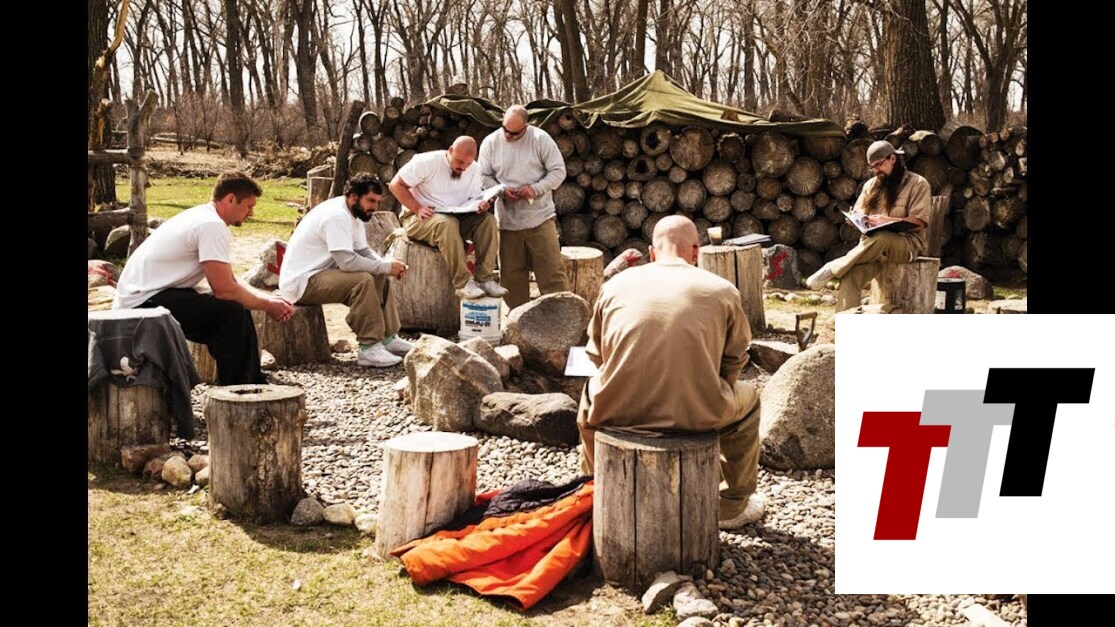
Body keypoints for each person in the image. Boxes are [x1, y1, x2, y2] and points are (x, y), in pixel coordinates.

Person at [577, 215, 766, 530]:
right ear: (696, 252)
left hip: (616, 410)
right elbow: (735, 358)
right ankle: (732, 504)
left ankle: (594, 492)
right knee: (751, 403)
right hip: (698, 412)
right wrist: (710, 388)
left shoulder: (614, 286)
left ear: (651, 252)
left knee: (588, 401)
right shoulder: (722, 290)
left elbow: (596, 355)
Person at [113, 171, 295, 385]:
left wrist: (268, 299)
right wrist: (268, 306)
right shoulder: (211, 225)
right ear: (230, 199)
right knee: (231, 314)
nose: (251, 213)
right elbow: (224, 290)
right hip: (140, 304)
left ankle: (248, 380)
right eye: (249, 206)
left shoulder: (204, 217)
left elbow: (230, 279)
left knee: (235, 309)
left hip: (150, 295)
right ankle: (240, 387)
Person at [278, 173, 413, 368]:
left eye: (377, 202)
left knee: (377, 274)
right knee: (362, 280)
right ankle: (369, 347)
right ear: (353, 196)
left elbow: (362, 251)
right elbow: (347, 263)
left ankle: (388, 338)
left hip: (321, 273)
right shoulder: (337, 216)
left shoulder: (354, 213)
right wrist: (385, 266)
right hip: (301, 283)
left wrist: (386, 265)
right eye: (371, 201)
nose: (375, 207)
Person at [806, 140, 932, 311]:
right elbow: (859, 213)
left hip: (906, 245)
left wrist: (886, 221)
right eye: (872, 167)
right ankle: (844, 322)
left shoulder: (918, 184)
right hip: (872, 249)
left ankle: (833, 268)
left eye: (879, 165)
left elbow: (920, 223)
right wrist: (854, 220)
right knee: (850, 276)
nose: (876, 171)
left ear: (893, 159)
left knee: (882, 237)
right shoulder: (871, 185)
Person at [389, 136, 507, 300]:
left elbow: (474, 197)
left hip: (456, 215)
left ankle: (484, 279)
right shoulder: (427, 162)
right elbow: (395, 185)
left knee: (488, 221)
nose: (463, 167)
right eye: (459, 161)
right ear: (450, 150)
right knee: (447, 224)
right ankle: (462, 283)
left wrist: (480, 205)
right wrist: (417, 208)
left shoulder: (474, 169)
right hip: (419, 217)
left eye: (467, 163)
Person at [478, 105, 569, 309]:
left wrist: (535, 189)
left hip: (540, 217)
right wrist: (501, 190)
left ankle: (562, 314)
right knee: (511, 277)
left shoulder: (540, 139)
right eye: (505, 129)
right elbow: (483, 176)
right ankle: (517, 318)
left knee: (552, 272)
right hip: (507, 221)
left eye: (514, 133)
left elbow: (558, 171)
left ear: (526, 127)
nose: (508, 135)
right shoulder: (491, 142)